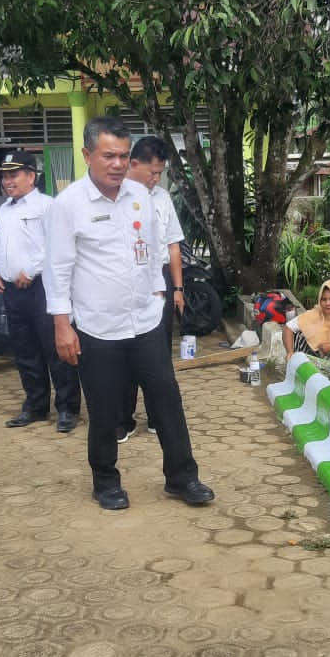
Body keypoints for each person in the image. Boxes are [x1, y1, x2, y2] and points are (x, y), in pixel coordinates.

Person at [46, 116, 214, 510]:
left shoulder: (140, 196)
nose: (118, 164)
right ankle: (106, 481)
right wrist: (62, 326)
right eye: (109, 155)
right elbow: (58, 270)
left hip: (145, 321)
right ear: (87, 155)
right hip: (96, 327)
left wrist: (160, 295)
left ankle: (182, 478)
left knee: (166, 399)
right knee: (104, 409)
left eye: (123, 155)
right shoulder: (68, 205)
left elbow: (154, 251)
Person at [0, 151, 81, 433]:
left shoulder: (48, 206)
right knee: (25, 351)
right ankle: (36, 405)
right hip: (13, 291)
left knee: (55, 349)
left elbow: (57, 246)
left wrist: (32, 270)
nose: (7, 181)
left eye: (14, 174)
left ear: (31, 175)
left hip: (42, 287)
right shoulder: (3, 210)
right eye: (5, 176)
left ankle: (67, 408)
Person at [117, 135, 185, 442]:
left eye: (161, 173)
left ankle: (158, 416)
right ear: (134, 164)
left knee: (158, 350)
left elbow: (173, 246)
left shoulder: (162, 198)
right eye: (152, 172)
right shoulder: (115, 197)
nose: (156, 178)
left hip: (159, 282)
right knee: (123, 351)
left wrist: (179, 288)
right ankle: (122, 419)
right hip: (122, 282)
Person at [284, 279, 330, 366]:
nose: (328, 303)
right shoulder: (315, 313)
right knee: (298, 335)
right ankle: (304, 368)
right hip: (317, 358)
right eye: (324, 299)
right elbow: (288, 327)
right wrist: (290, 352)